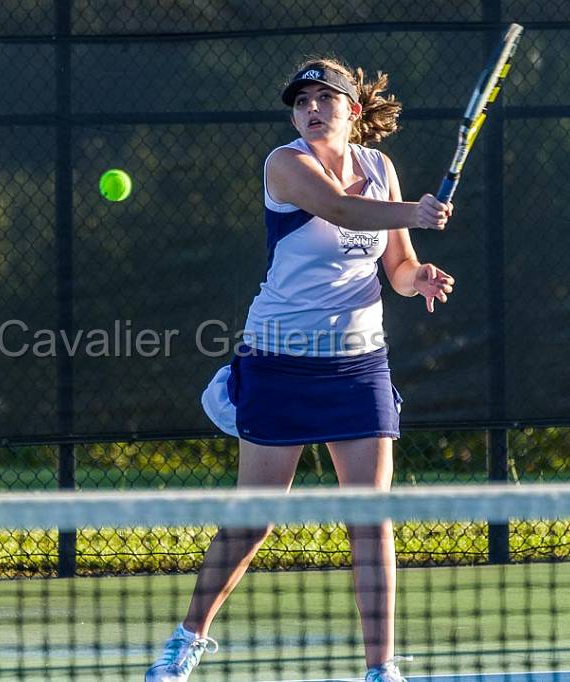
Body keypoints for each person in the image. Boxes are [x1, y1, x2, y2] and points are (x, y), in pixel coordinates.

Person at [145, 57, 455, 682]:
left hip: (359, 363)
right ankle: (187, 639)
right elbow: (339, 210)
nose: (312, 108)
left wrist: (414, 274)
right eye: (302, 100)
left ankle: (380, 669)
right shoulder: (284, 165)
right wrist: (412, 213)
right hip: (279, 358)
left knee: (370, 517)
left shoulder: (380, 168)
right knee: (254, 518)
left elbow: (394, 266)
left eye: (326, 98)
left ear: (354, 111)